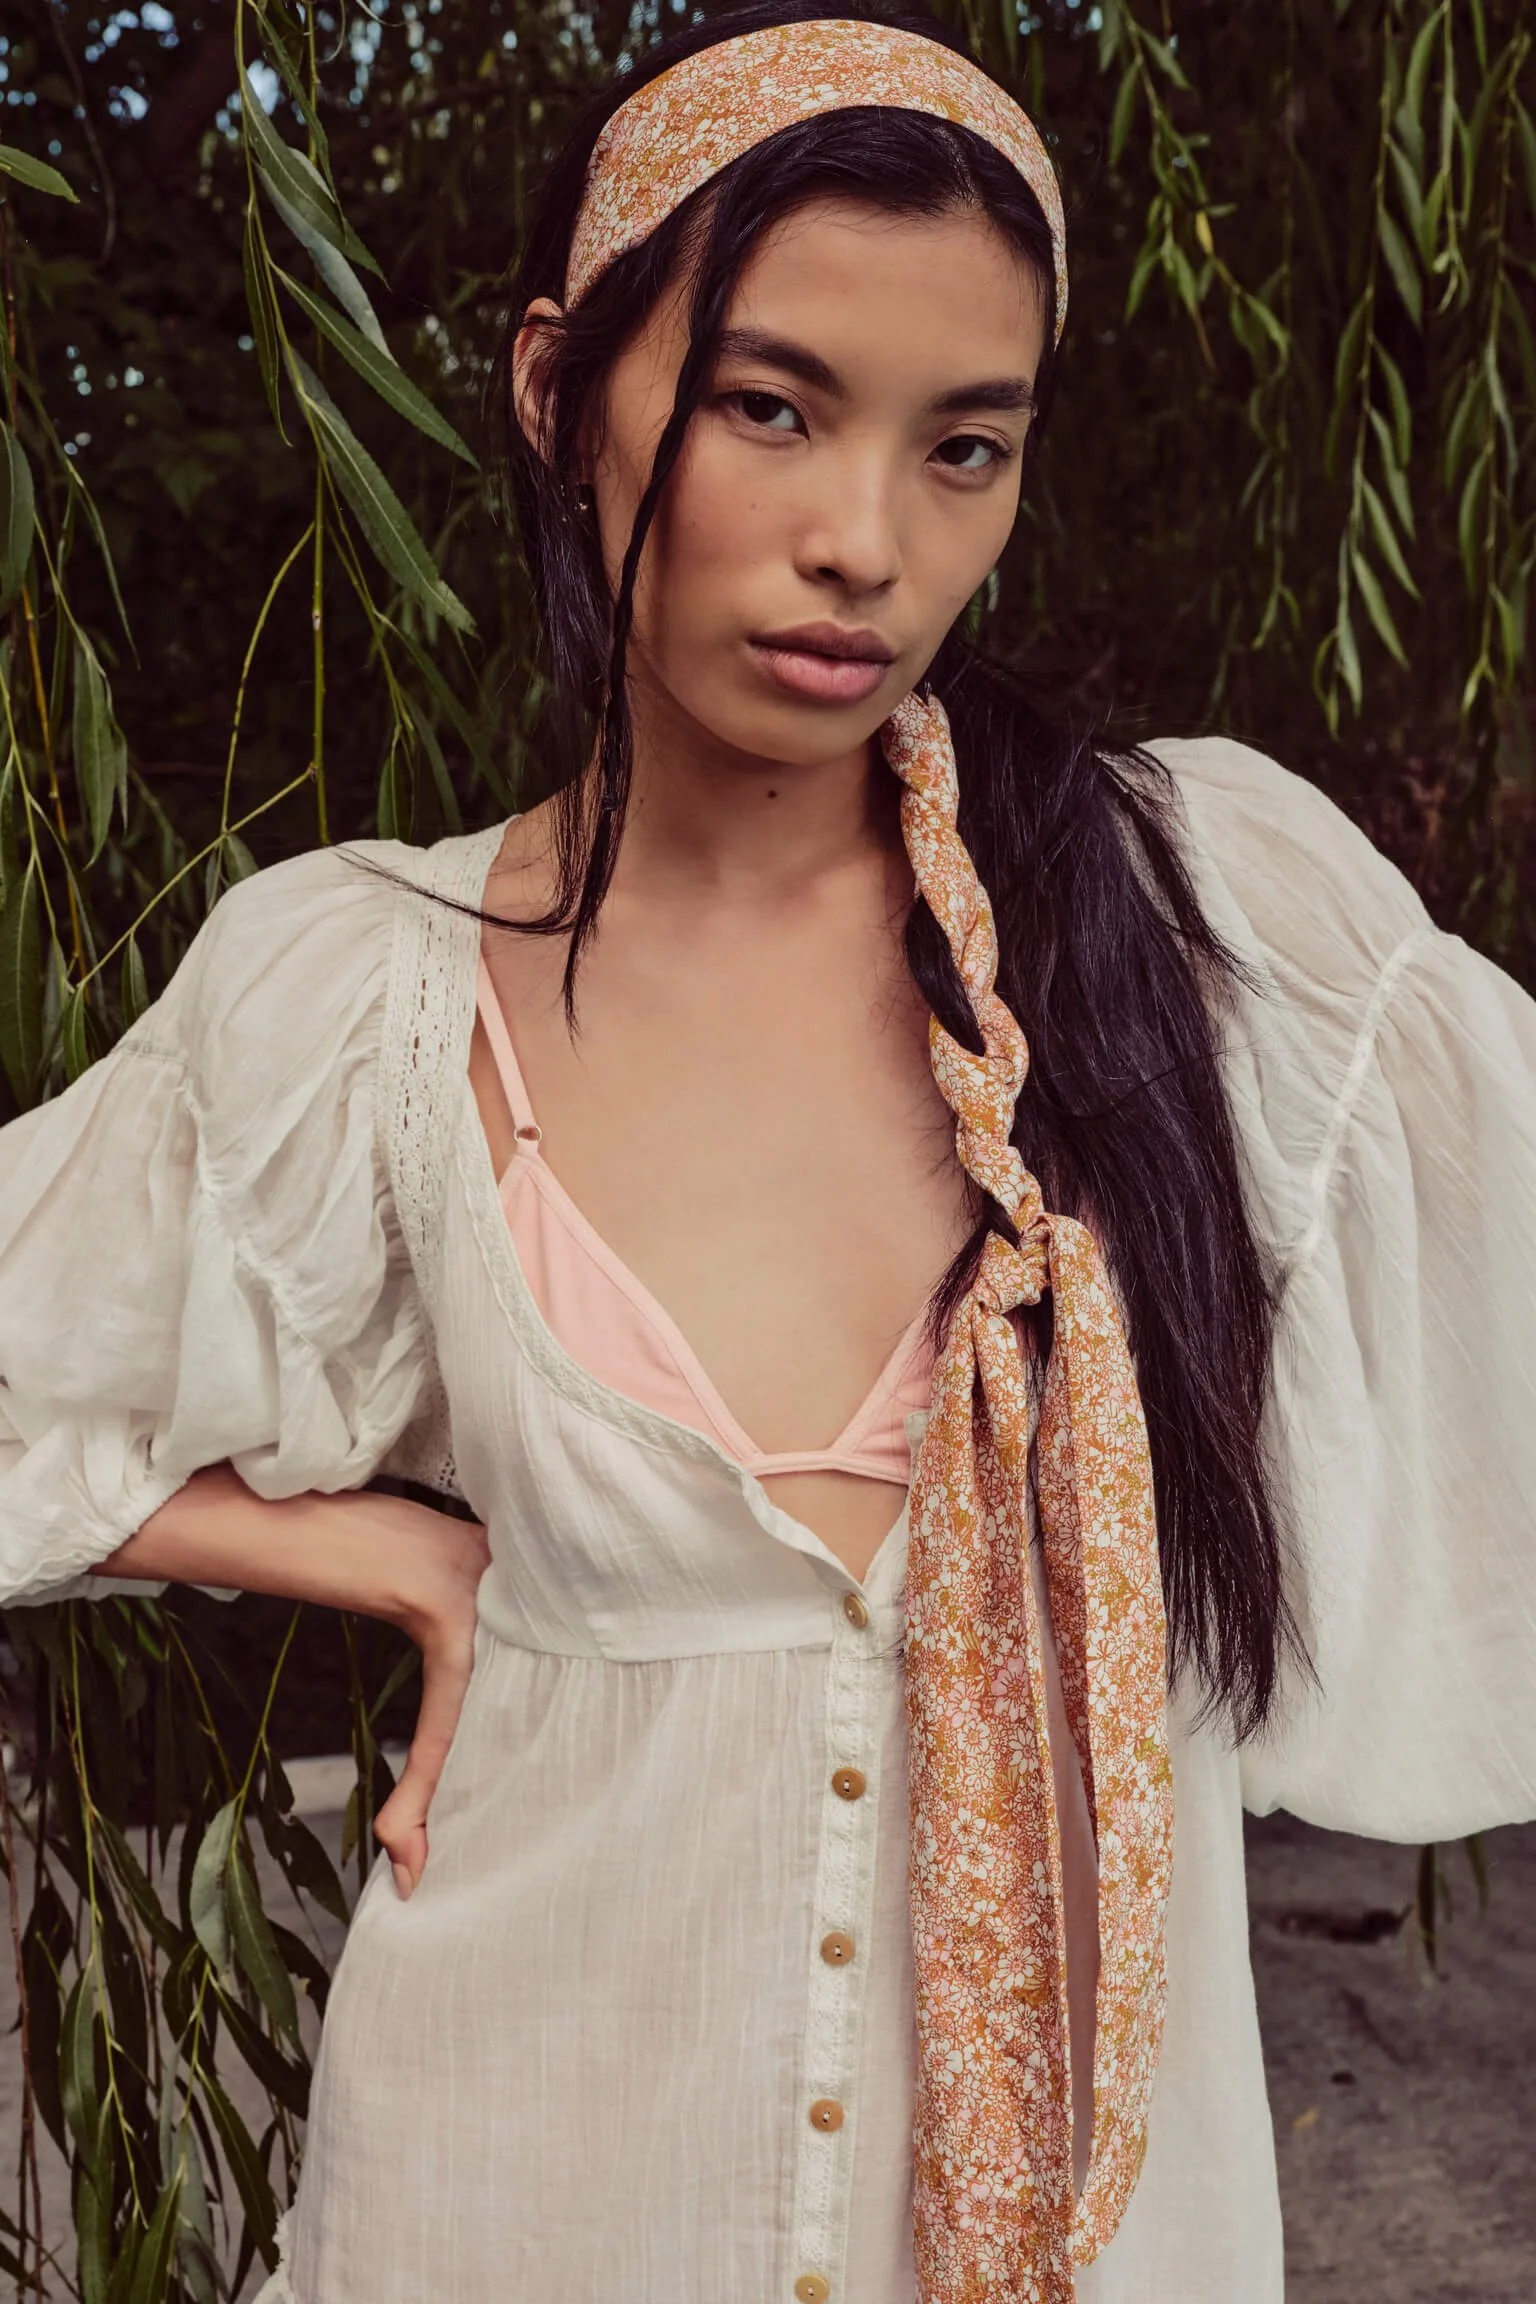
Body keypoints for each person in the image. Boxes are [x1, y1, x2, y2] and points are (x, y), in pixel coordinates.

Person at [1, 5, 1533, 2299]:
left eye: (965, 448)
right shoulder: (367, 997)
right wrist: (386, 1560)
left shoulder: (1198, 938)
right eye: (770, 405)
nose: (863, 544)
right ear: (556, 395)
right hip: (514, 2189)